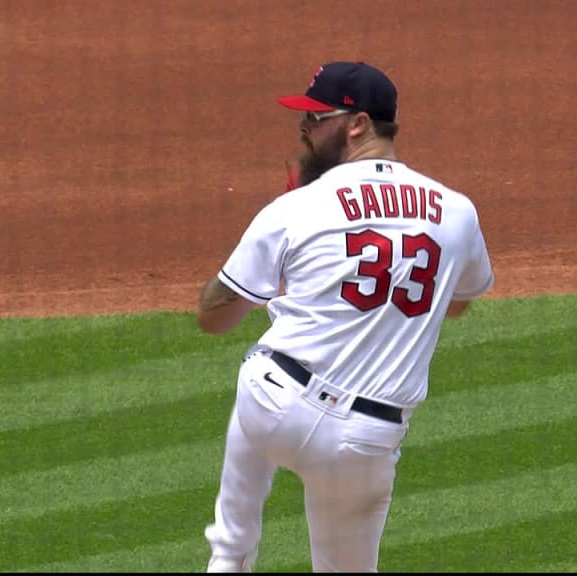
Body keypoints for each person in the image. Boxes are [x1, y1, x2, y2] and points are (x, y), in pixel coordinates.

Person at [197, 61, 495, 573]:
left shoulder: (298, 207)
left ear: (356, 124)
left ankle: (229, 554)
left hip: (275, 405)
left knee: (262, 367)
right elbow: (460, 302)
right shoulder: (457, 211)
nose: (304, 129)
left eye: (316, 118)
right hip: (364, 441)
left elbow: (214, 316)